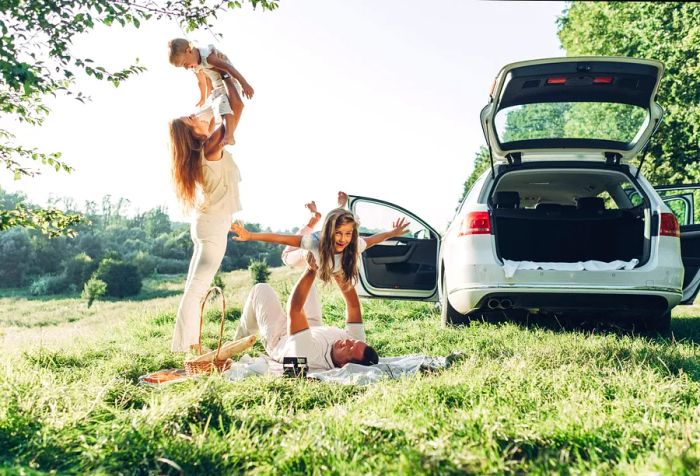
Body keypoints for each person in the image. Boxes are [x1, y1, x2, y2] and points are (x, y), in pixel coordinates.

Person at [169, 111, 242, 353]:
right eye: (191, 119)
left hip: (207, 223)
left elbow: (214, 116)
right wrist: (228, 76)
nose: (196, 116)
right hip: (212, 227)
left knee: (195, 288)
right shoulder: (210, 148)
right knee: (196, 290)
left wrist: (213, 81)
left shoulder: (205, 148)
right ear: (191, 133)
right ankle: (184, 347)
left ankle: (190, 344)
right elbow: (234, 111)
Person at [233, 253, 379, 370]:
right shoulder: (360, 345)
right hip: (311, 327)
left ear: (344, 365)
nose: (348, 341)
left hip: (280, 337)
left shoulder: (309, 355)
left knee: (261, 289)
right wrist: (339, 274)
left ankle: (235, 344)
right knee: (310, 288)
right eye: (353, 341)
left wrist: (311, 269)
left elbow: (295, 309)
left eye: (350, 348)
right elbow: (353, 306)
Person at [280, 192, 349, 327]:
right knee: (295, 250)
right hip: (318, 253)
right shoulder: (347, 246)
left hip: (311, 253)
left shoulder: (321, 246)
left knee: (286, 255)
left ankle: (313, 221)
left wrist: (341, 206)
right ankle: (314, 221)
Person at [168, 38, 254, 146]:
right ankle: (206, 137)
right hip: (217, 88)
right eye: (183, 66)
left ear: (189, 51)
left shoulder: (208, 57)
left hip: (230, 82)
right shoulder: (194, 64)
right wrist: (203, 98)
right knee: (202, 114)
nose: (186, 68)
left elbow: (228, 68)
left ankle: (229, 135)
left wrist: (244, 84)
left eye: (185, 63)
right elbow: (201, 82)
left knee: (222, 105)